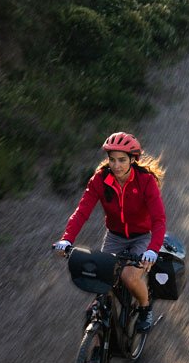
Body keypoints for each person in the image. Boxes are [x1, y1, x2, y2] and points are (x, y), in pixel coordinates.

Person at [53, 131, 168, 332]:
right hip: (115, 237)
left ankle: (145, 308)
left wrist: (152, 250)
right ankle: (99, 339)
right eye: (112, 159)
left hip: (141, 237)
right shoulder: (99, 180)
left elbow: (159, 220)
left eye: (122, 160)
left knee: (129, 277)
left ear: (133, 159)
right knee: (104, 280)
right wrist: (67, 239)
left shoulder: (146, 181)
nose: (116, 165)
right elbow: (81, 212)